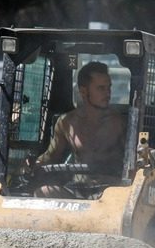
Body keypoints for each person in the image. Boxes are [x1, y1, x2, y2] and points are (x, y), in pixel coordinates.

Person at [31, 61, 126, 198]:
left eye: (109, 87)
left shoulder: (119, 123)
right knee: (44, 192)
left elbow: (134, 162)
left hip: (111, 194)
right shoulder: (66, 123)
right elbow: (51, 156)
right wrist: (34, 164)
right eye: (101, 88)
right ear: (83, 91)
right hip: (78, 191)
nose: (107, 93)